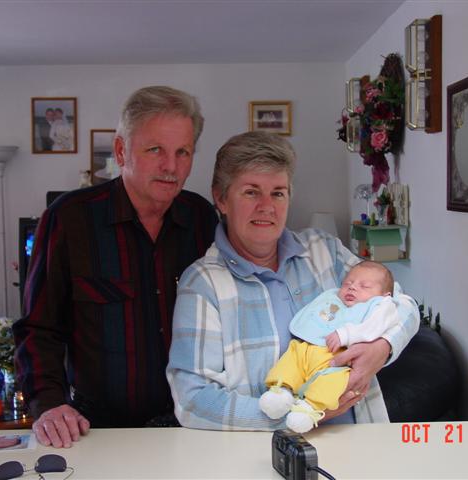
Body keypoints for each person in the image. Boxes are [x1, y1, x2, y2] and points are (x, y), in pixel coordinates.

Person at [166, 131, 419, 430]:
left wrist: (384, 347)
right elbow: (193, 400)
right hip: (267, 450)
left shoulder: (324, 251)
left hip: (360, 435)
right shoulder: (203, 284)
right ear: (221, 198)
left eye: (278, 193)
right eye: (251, 192)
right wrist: (300, 416)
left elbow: (401, 302)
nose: (266, 206)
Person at [14, 86, 218, 448]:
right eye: (155, 150)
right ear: (122, 151)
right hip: (97, 432)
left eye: (182, 152)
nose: (171, 166)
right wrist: (50, 404)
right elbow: (39, 328)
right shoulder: (70, 219)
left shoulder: (201, 218)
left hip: (191, 427)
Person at [259, 261, 410, 433]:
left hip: (337, 360)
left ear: (385, 295)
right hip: (309, 348)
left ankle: (309, 408)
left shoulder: (381, 307)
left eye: (364, 286)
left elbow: (373, 327)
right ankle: (280, 392)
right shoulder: (333, 300)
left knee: (336, 380)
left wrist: (346, 334)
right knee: (293, 353)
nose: (352, 287)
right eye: (347, 283)